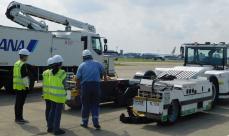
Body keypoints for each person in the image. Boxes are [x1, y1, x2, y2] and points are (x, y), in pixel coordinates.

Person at [76, 49, 107, 130]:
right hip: (96, 86)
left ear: (83, 57)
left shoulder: (81, 65)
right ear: (91, 56)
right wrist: (105, 79)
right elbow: (104, 71)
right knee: (95, 105)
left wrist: (78, 88)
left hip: (86, 87)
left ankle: (84, 122)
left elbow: (77, 78)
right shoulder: (97, 63)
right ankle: (96, 122)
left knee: (85, 105)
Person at [47, 55, 67, 135]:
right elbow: (65, 85)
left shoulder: (50, 72)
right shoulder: (62, 72)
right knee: (58, 113)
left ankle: (50, 127)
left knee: (52, 111)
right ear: (59, 64)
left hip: (52, 95)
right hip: (59, 96)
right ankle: (56, 130)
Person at [13, 48, 31, 124]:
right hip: (22, 87)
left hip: (16, 86)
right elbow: (24, 77)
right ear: (24, 56)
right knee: (20, 104)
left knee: (17, 103)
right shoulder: (23, 65)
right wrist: (27, 87)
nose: (27, 58)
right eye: (27, 56)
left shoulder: (16, 63)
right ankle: (19, 119)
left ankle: (17, 118)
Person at [42, 57, 54, 129]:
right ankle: (51, 123)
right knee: (52, 109)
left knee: (47, 108)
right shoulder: (53, 72)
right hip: (52, 94)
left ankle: (47, 122)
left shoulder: (44, 72)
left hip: (46, 94)